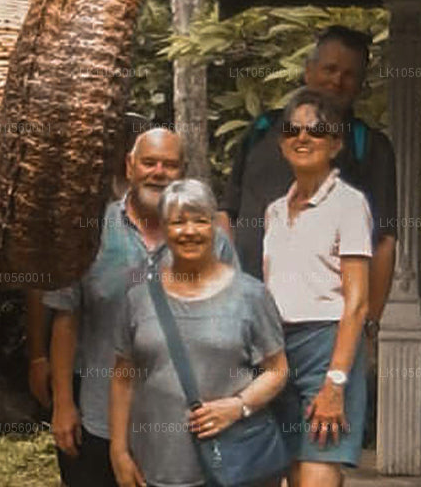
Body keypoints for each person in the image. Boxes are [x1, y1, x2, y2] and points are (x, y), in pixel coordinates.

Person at [45, 128, 239, 487]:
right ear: (130, 166)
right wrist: (63, 404)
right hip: (99, 419)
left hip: (185, 430)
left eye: (170, 165)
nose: (158, 173)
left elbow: (235, 329)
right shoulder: (91, 233)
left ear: (183, 172)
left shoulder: (211, 240)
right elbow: (65, 319)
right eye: (149, 163)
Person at [220, 26, 396, 340]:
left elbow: (384, 242)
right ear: (308, 71)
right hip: (247, 312)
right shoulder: (262, 129)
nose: (337, 81)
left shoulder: (368, 146)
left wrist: (370, 323)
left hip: (326, 327)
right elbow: (226, 214)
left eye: (349, 74)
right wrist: (224, 290)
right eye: (329, 69)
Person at [109, 179, 288, 487]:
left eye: (199, 221)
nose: (189, 231)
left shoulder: (250, 295)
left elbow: (277, 370)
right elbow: (123, 377)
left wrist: (238, 406)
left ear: (214, 227)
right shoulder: (138, 298)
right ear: (164, 229)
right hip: (158, 466)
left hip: (235, 465)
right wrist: (119, 450)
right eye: (178, 222)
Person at [264, 89, 372, 485]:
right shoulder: (274, 211)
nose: (303, 138)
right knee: (288, 471)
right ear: (281, 141)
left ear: (336, 143)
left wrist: (336, 382)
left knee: (316, 472)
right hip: (277, 351)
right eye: (293, 129)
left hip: (327, 349)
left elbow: (357, 303)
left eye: (316, 130)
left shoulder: (350, 203)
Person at [26, 113, 153, 410]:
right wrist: (38, 356)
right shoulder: (80, 202)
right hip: (83, 360)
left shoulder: (167, 211)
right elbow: (42, 288)